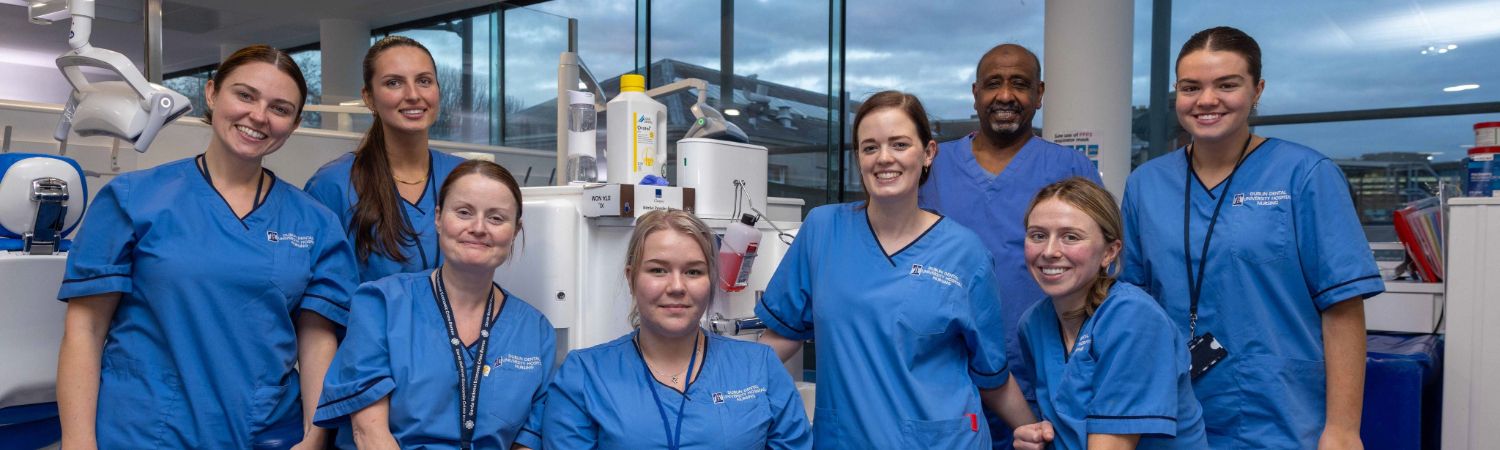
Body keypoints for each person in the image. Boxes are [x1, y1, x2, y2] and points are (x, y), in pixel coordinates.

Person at [56, 45, 356, 449]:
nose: (258, 116)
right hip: (146, 433)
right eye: (245, 95)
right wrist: (78, 443)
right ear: (212, 94)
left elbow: (317, 341)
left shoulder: (315, 222)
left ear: (295, 123)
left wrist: (313, 438)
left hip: (264, 432)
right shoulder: (133, 199)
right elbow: (85, 329)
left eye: (280, 108)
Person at [1120, 26, 1382, 449]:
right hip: (1169, 412)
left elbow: (1343, 308)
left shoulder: (1306, 175)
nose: (1207, 100)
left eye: (1227, 84)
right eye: (1191, 87)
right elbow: (1133, 304)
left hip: (1279, 412)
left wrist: (1343, 429)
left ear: (1257, 90)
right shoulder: (1145, 185)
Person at [756, 90, 1043, 449]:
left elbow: (991, 373)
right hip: (846, 439)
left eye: (900, 144)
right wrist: (716, 380)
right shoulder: (823, 230)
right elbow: (783, 333)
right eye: (870, 147)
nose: (884, 158)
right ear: (858, 158)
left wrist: (1034, 431)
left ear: (928, 153)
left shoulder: (965, 252)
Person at [917, 43, 1102, 448]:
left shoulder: (1072, 169)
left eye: (1019, 84)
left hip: (1043, 378)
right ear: (975, 92)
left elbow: (1100, 277)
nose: (1005, 96)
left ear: (1039, 93)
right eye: (992, 84)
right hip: (946, 378)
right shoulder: (932, 168)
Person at [314, 160, 553, 450]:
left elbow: (526, 442)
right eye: (464, 212)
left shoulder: (535, 331)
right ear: (438, 218)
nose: (478, 228)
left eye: (496, 218)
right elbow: (369, 434)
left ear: (515, 231)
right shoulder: (382, 304)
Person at [543, 209, 811, 450]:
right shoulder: (584, 375)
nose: (676, 287)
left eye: (693, 272)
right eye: (658, 270)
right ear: (631, 277)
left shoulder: (760, 367)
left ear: (711, 280)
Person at [1012, 178, 1206, 449]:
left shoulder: (1133, 319)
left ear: (1109, 252)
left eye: (1071, 237)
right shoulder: (1034, 324)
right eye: (1038, 235)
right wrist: (1037, 437)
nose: (1049, 251)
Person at [304, 35, 467, 284]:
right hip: (367, 323)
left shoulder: (463, 176)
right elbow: (318, 294)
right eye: (394, 83)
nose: (413, 95)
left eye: (424, 81)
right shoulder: (334, 184)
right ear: (369, 97)